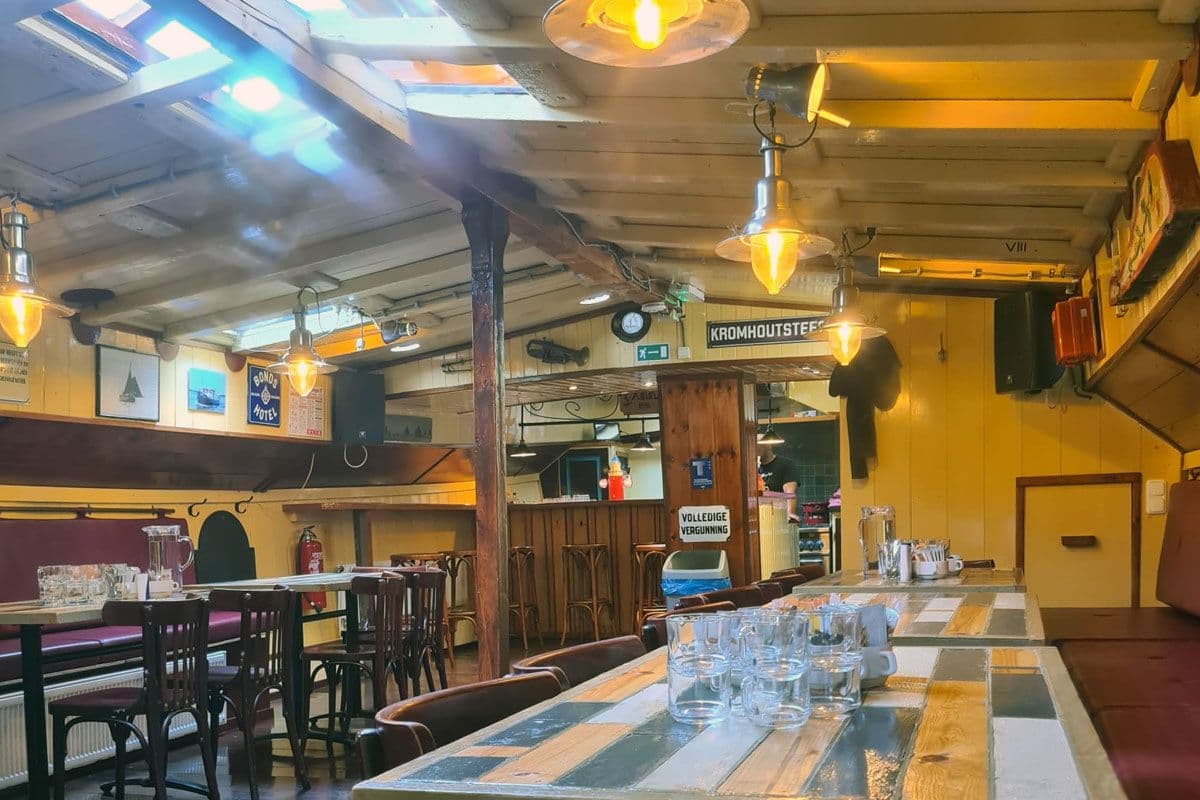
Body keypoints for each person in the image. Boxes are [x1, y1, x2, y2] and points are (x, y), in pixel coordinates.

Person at [758, 443, 800, 522]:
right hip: (760, 518)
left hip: (779, 516)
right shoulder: (753, 468)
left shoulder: (785, 464)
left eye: (759, 444)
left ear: (769, 445)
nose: (755, 447)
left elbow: (789, 492)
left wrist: (790, 513)